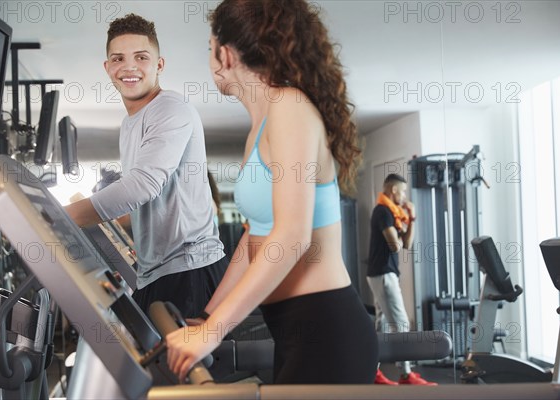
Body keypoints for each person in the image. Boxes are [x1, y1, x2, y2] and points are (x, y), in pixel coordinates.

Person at [165, 0, 378, 384]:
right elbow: (256, 235)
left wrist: (209, 336)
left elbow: (292, 236)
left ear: (224, 55)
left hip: (326, 327)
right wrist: (209, 318)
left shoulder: (290, 108)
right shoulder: (260, 127)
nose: (210, 60)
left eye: (209, 48)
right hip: (293, 328)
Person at [64, 14, 227, 317]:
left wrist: (62, 219)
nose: (129, 67)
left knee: (177, 365)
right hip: (155, 272)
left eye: (141, 57)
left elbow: (142, 185)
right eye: (118, 58)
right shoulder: (130, 124)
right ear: (107, 68)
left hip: (190, 270)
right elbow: (148, 202)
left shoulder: (169, 108)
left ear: (159, 65)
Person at [366, 173, 437, 385]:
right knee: (402, 323)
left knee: (383, 327)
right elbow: (395, 245)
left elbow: (407, 244)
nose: (405, 195)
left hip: (384, 273)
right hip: (383, 274)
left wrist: (411, 218)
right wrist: (400, 229)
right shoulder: (383, 212)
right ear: (394, 190)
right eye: (403, 191)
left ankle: (373, 373)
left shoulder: (394, 213)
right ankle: (406, 375)